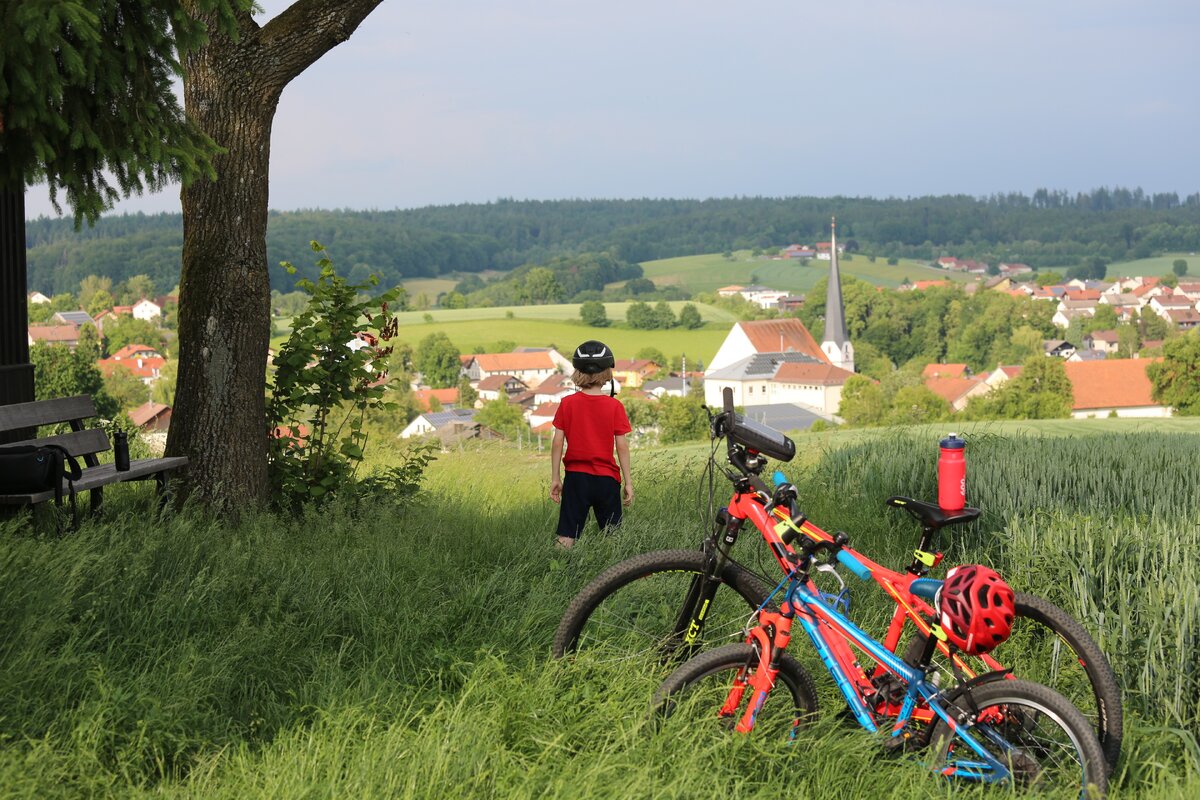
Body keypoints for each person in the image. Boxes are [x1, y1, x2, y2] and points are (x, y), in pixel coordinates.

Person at [550, 340, 633, 548]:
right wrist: (629, 482)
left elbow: (557, 441)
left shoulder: (567, 404)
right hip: (607, 479)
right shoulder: (615, 406)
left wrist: (555, 477)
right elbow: (622, 446)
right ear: (607, 372)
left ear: (578, 372)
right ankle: (615, 575)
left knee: (567, 535)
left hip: (576, 479)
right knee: (613, 536)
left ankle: (555, 572)